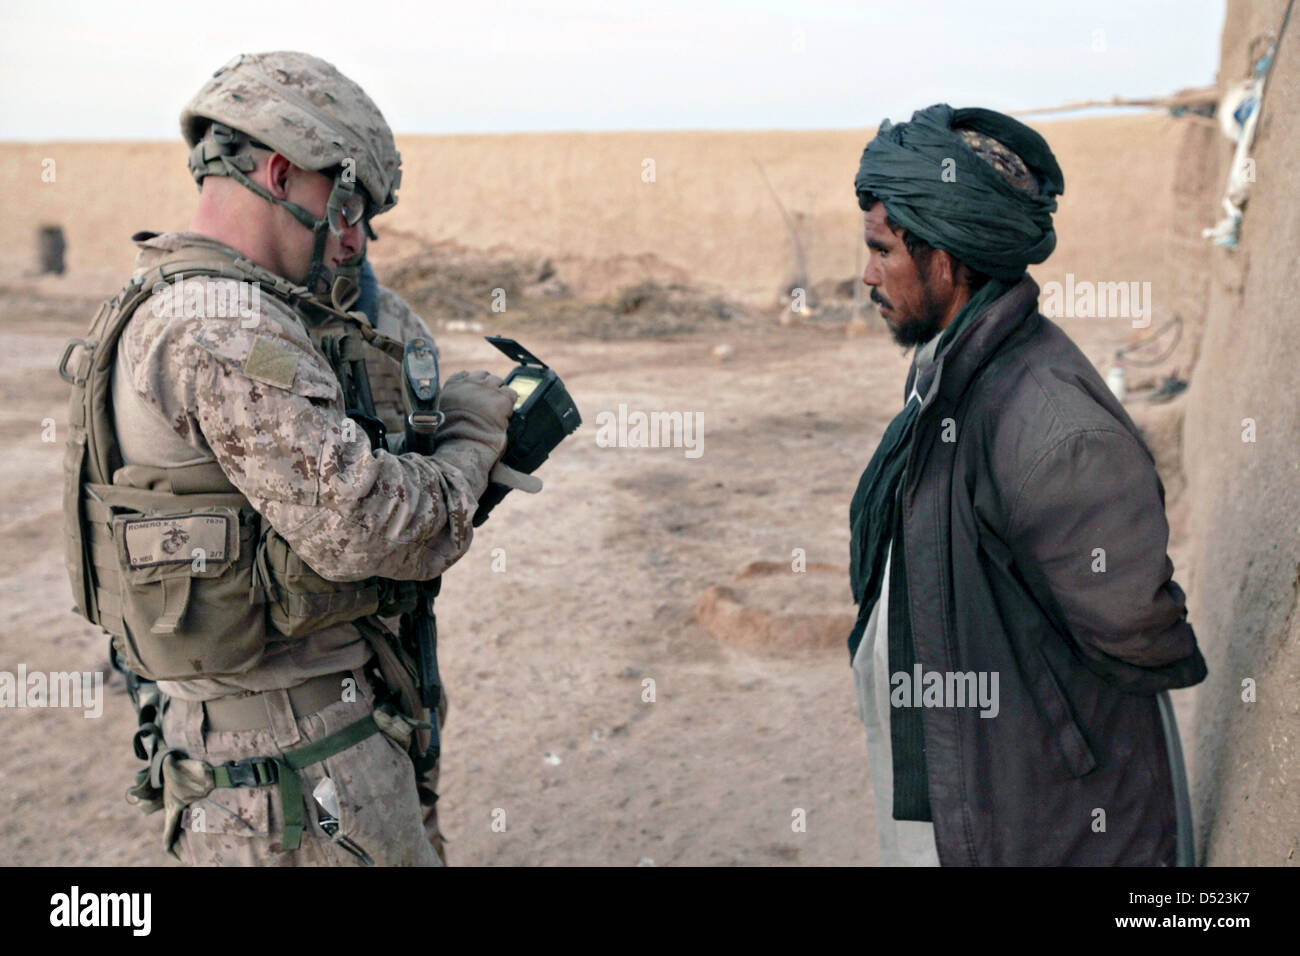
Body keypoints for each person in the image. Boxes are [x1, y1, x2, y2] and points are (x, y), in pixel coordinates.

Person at [60, 51, 519, 865]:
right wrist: (475, 437)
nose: (353, 242)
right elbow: (371, 529)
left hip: (272, 750)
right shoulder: (226, 327)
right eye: (346, 208)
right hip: (299, 772)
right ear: (279, 173)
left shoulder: (195, 301)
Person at [845, 104, 1207, 866]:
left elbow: (1134, 622)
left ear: (947, 258)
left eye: (883, 251)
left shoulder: (1051, 424)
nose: (868, 274)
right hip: (980, 790)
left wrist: (1040, 712)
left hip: (1060, 821)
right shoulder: (952, 370)